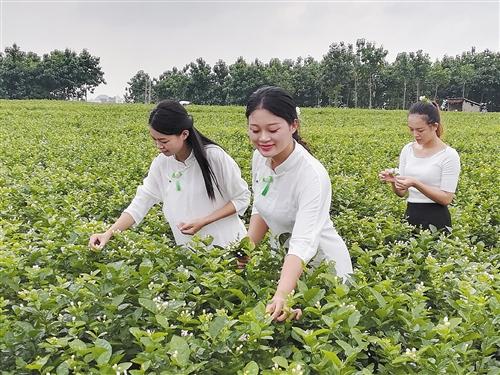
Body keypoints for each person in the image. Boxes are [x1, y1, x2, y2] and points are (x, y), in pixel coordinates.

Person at [245, 86, 353, 322]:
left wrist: (283, 293)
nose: (263, 138)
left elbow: (304, 242)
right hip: (286, 266)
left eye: (272, 129)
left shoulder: (311, 175)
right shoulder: (260, 158)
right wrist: (244, 251)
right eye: (255, 130)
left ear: (293, 125)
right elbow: (261, 206)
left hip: (322, 270)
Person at [89, 100, 250, 249]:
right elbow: (141, 202)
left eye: (164, 141)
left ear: (184, 134)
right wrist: (108, 233)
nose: (159, 146)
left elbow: (242, 198)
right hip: (191, 256)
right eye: (155, 140)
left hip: (227, 249)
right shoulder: (162, 163)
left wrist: (204, 221)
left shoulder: (214, 157)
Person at [379, 97, 460, 231]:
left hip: (436, 220)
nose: (415, 134)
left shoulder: (449, 155)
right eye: (411, 130)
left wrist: (416, 183)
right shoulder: (408, 150)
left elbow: (446, 198)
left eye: (420, 130)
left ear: (434, 126)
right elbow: (402, 192)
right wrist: (393, 181)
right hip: (411, 215)